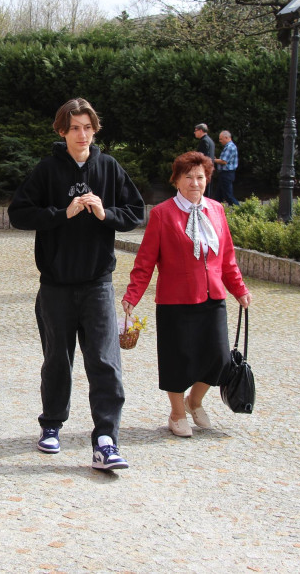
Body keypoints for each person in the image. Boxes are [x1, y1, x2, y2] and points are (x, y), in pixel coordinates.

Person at [8, 98, 144, 471]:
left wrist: (105, 213)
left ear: (95, 130)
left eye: (87, 128)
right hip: (56, 285)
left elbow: (135, 212)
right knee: (57, 360)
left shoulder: (109, 167)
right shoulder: (47, 170)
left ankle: (106, 440)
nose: (82, 135)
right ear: (62, 131)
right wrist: (60, 213)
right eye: (74, 128)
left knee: (105, 362)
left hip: (98, 283)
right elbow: (18, 214)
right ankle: (51, 425)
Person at [121, 151, 252, 438]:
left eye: (200, 177)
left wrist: (239, 289)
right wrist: (133, 295)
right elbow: (145, 260)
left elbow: (227, 256)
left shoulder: (216, 210)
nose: (195, 183)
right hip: (175, 300)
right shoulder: (163, 214)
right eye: (188, 177)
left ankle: (195, 401)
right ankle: (177, 413)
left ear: (207, 180)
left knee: (219, 358)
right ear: (177, 181)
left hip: (213, 297)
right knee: (177, 360)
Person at [213, 130, 240, 206]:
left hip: (226, 174)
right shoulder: (230, 146)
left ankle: (239, 209)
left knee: (228, 196)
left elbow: (224, 161)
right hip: (225, 174)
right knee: (218, 196)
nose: (220, 141)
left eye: (221, 139)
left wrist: (212, 159)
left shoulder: (229, 147)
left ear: (226, 138)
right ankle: (215, 209)